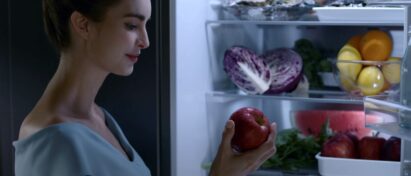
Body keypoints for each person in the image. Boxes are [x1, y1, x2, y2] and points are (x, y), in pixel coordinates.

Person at [13, 0, 277, 175]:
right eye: (131, 25)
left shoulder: (99, 118)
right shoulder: (57, 142)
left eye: (145, 25)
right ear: (83, 25)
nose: (146, 41)